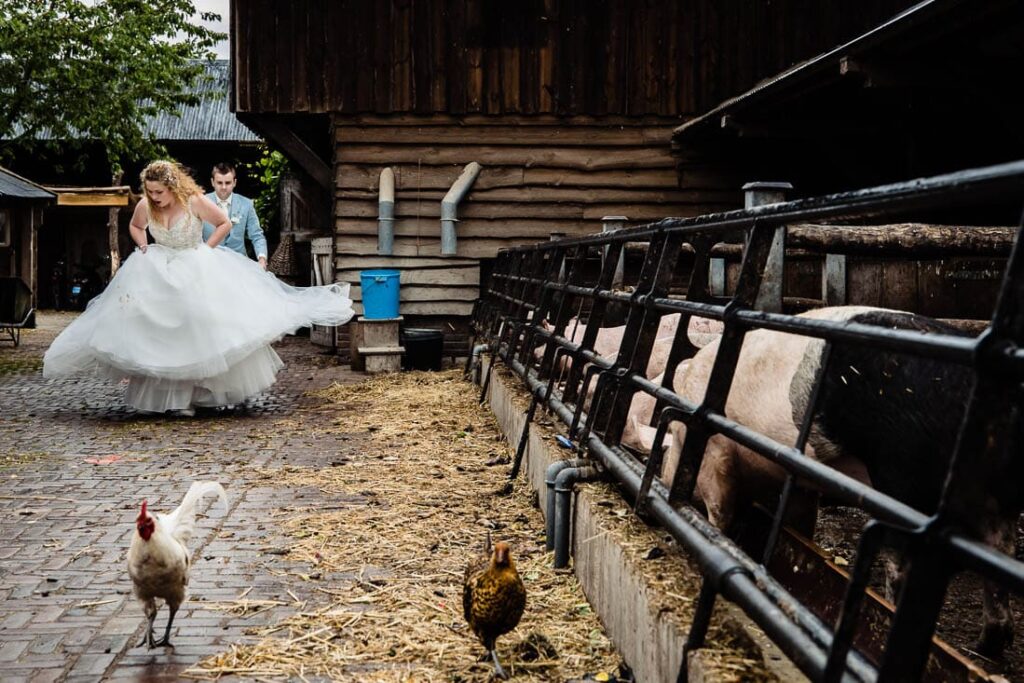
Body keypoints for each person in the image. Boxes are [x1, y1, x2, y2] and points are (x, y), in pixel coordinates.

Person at [43, 160, 353, 417]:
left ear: (172, 186)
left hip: (194, 265)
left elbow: (224, 223)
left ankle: (198, 394)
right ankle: (165, 396)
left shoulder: (193, 202)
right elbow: (135, 226)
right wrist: (143, 245)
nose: (155, 196)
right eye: (150, 191)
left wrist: (206, 248)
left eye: (159, 191)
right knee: (156, 329)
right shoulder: (146, 206)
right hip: (158, 268)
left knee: (197, 326)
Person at [203, 162, 268, 269]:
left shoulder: (246, 204)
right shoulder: (202, 203)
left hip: (240, 264)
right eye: (219, 183)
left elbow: (256, 235)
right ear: (212, 182)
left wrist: (262, 259)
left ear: (234, 182)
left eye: (228, 183)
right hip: (210, 264)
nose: (224, 187)